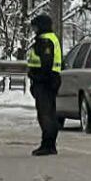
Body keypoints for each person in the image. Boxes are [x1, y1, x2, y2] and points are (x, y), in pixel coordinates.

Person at [26, 13, 63, 157]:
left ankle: (48, 144)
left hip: (45, 81)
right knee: (49, 113)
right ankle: (49, 144)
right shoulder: (50, 38)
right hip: (51, 80)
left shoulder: (45, 41)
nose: (34, 30)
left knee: (45, 114)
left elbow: (46, 63)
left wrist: (36, 77)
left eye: (35, 27)